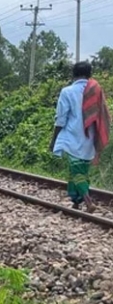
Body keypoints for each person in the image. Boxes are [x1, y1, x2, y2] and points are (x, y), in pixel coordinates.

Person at [50, 61, 110, 212]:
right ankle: (76, 202)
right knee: (80, 171)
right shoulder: (96, 91)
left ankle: (88, 201)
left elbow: (61, 119)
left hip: (72, 138)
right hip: (90, 138)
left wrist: (54, 139)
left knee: (76, 171)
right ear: (89, 74)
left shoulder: (67, 91)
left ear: (74, 74)